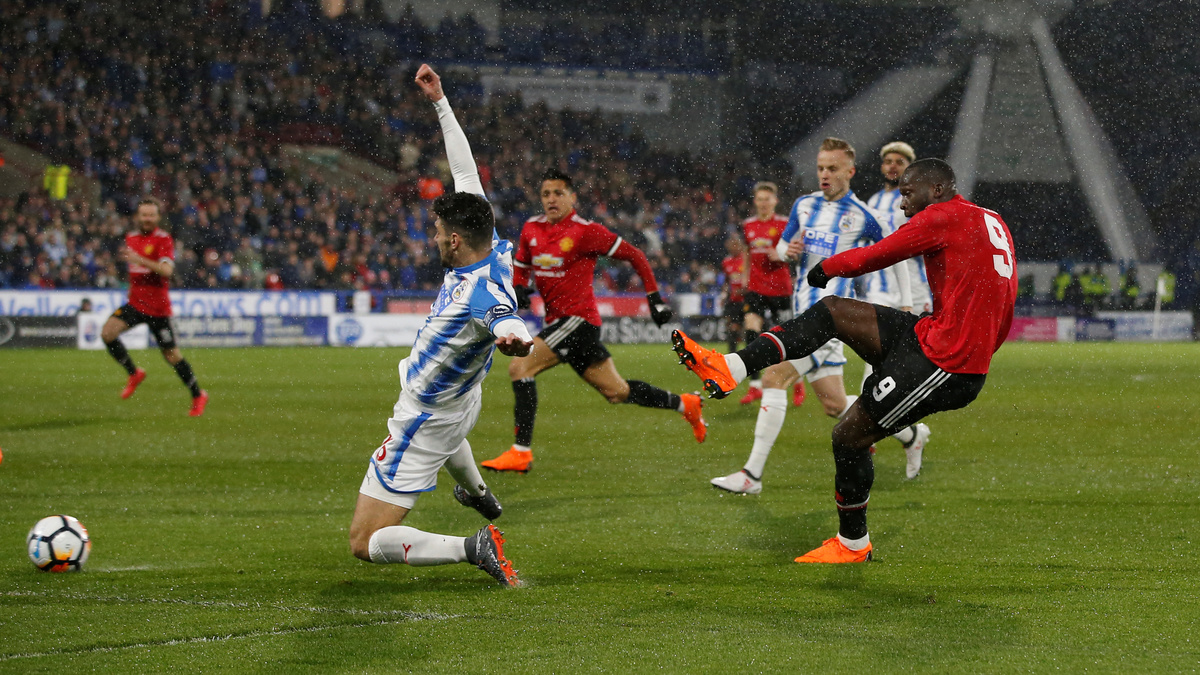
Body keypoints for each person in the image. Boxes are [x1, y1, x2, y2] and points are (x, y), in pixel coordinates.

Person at [674, 158, 1017, 563]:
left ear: (937, 190)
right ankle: (730, 367)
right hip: (935, 336)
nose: (903, 203)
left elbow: (879, 254)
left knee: (848, 436)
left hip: (947, 363)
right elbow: (1005, 299)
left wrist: (827, 267)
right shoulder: (990, 218)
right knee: (833, 311)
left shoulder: (940, 216)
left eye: (909, 193)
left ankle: (853, 543)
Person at [347, 64, 531, 587]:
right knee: (453, 431)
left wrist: (514, 337)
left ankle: (472, 546)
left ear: (454, 240)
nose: (432, 238)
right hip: (462, 400)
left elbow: (502, 314)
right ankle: (479, 494)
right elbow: (466, 174)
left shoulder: (479, 290)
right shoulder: (492, 247)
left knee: (364, 541)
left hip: (424, 417)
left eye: (436, 232)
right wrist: (440, 103)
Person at [710, 138, 918, 495]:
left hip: (831, 320)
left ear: (850, 172)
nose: (824, 174)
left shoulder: (863, 215)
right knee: (835, 404)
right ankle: (911, 434)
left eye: (832, 168)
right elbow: (781, 248)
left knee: (773, 377)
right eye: (821, 168)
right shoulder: (804, 205)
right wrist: (786, 250)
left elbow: (895, 252)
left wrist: (907, 305)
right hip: (803, 312)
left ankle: (751, 476)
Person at [481, 170, 707, 473]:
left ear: (572, 197)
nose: (551, 199)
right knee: (617, 392)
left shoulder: (586, 231)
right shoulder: (531, 228)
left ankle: (520, 453)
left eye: (558, 193)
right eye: (546, 194)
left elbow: (636, 255)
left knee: (520, 367)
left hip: (579, 321)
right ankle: (685, 404)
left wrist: (654, 297)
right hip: (562, 324)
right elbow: (521, 264)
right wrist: (520, 286)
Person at [100, 197, 208, 417]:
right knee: (107, 333)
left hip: (158, 309)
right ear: (137, 217)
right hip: (135, 303)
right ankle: (134, 373)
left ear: (158, 217)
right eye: (144, 215)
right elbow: (134, 271)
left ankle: (198, 395)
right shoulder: (130, 237)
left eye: (151, 215)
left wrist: (140, 259)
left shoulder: (163, 239)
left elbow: (167, 271)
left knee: (172, 356)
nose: (147, 219)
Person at [863, 141, 933, 476]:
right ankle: (909, 435)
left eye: (900, 161)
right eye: (888, 160)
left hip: (912, 293)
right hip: (878, 292)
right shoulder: (872, 202)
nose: (893, 165)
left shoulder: (921, 200)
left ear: (910, 167)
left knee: (898, 374)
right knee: (873, 373)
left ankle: (905, 435)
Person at [738, 181, 802, 407]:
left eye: (767, 199)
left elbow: (796, 252)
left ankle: (797, 382)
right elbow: (747, 252)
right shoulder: (748, 225)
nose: (763, 203)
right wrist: (744, 278)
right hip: (756, 288)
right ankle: (755, 385)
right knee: (751, 330)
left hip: (780, 288)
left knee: (787, 339)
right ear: (755, 201)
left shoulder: (785, 224)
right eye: (760, 199)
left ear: (775, 201)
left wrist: (783, 255)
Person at [721, 236, 747, 353]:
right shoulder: (726, 262)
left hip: (746, 299)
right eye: (730, 246)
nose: (732, 248)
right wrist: (724, 294)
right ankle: (732, 355)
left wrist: (745, 289)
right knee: (732, 328)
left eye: (734, 245)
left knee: (749, 328)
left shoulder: (746, 260)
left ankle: (750, 354)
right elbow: (727, 281)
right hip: (733, 301)